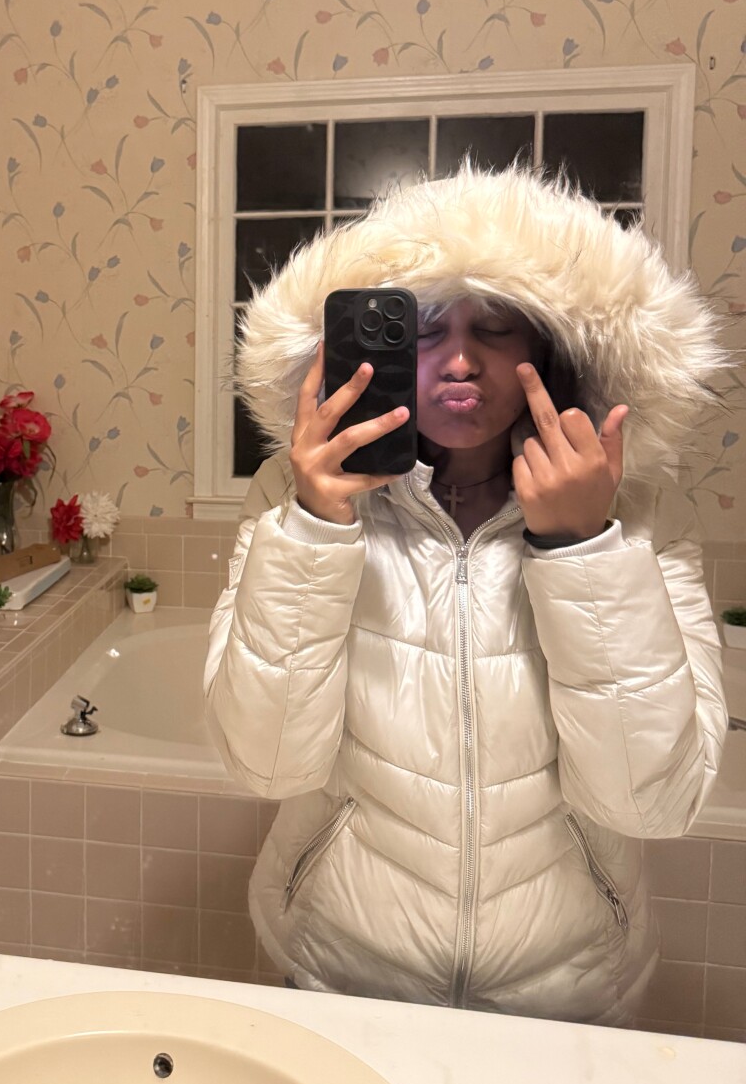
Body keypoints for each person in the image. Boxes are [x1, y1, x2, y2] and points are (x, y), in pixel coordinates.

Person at [204, 155, 736, 1025]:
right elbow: (264, 765)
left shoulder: (639, 515)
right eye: (419, 331)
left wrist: (582, 546)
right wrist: (315, 528)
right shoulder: (290, 500)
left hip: (566, 988)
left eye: (496, 327)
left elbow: (653, 802)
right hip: (338, 968)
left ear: (547, 349)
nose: (459, 359)